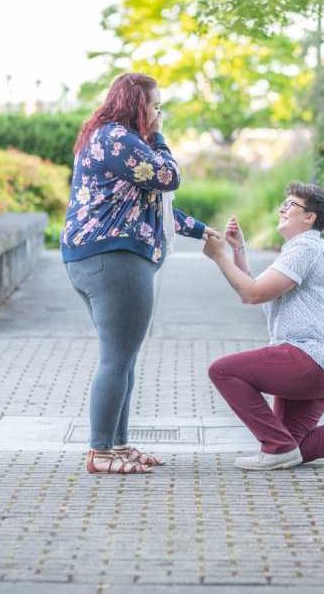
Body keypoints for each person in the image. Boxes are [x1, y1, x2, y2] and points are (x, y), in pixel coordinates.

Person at [62, 72, 218, 475]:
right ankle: (100, 451)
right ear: (137, 105)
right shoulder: (118, 139)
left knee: (123, 357)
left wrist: (202, 230)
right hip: (115, 259)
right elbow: (169, 177)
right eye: (155, 105)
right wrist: (160, 137)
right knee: (117, 358)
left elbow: (151, 204)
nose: (158, 113)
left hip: (96, 257)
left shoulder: (111, 139)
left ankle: (116, 445)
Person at [202, 182, 324, 471]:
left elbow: (252, 293)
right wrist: (238, 249)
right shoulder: (301, 249)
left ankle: (277, 449)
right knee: (293, 445)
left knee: (224, 371)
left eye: (290, 205)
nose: (282, 208)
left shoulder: (305, 248)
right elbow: (255, 289)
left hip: (313, 359)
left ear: (309, 217)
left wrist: (219, 256)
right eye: (284, 203)